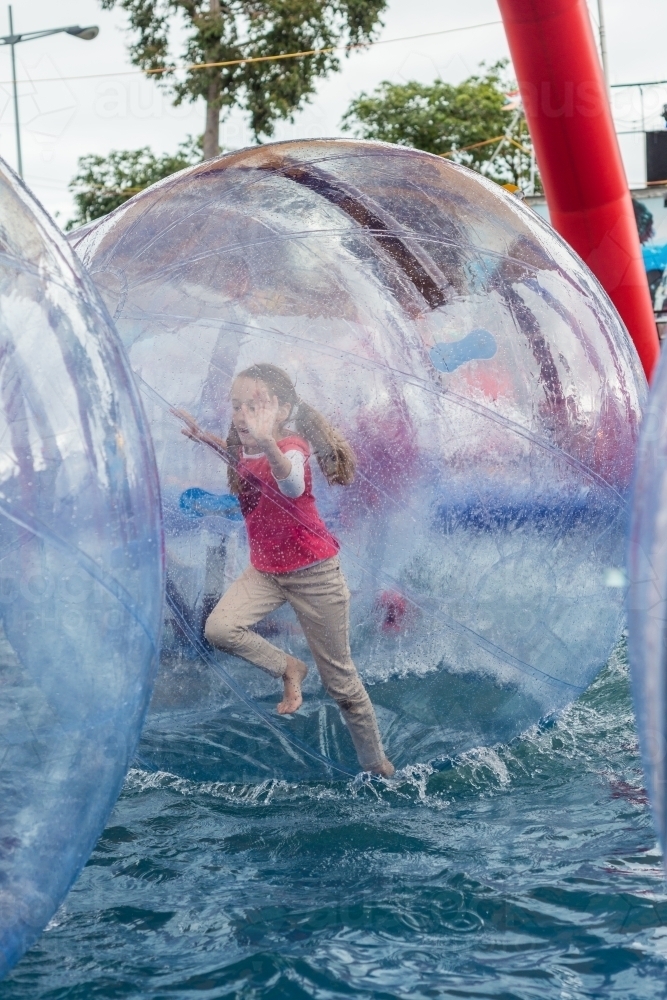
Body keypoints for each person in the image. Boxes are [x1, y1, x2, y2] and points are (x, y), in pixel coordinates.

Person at [174, 363, 395, 777]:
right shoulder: (245, 448)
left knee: (342, 685)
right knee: (219, 629)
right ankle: (288, 667)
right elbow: (248, 465)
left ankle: (376, 765)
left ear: (283, 410)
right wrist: (204, 437)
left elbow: (290, 483)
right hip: (266, 572)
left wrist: (268, 444)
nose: (242, 415)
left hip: (314, 575)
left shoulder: (291, 447)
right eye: (237, 406)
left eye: (254, 406)